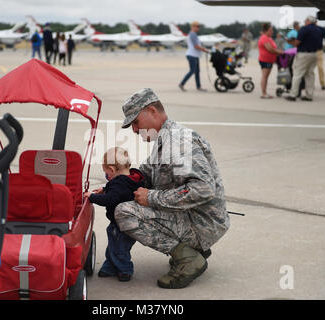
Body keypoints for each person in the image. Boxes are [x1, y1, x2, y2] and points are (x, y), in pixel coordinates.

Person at [114, 88, 230, 289]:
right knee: (124, 201)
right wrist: (114, 186)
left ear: (152, 111)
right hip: (193, 216)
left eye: (135, 122)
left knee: (124, 212)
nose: (134, 129)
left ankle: (189, 258)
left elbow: (203, 189)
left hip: (201, 223)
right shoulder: (166, 138)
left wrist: (152, 198)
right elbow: (146, 173)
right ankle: (192, 250)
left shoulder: (178, 142)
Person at [85, 147, 145, 282]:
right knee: (114, 245)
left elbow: (110, 199)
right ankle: (110, 266)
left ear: (111, 170)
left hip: (122, 224)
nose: (106, 175)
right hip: (127, 222)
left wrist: (92, 197)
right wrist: (105, 189)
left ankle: (125, 269)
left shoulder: (119, 184)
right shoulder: (132, 179)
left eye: (106, 172)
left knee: (120, 248)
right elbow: (120, 192)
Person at [285, 16, 324, 102]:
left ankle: (293, 94)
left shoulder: (304, 29)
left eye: (305, 20)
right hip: (315, 53)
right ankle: (309, 95)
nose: (304, 21)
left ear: (308, 21)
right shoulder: (319, 29)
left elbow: (297, 43)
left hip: (304, 54)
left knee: (297, 73)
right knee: (310, 74)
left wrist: (289, 41)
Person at [178, 21, 210, 92]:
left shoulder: (193, 34)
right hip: (192, 55)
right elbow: (196, 46)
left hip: (195, 55)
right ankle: (182, 84)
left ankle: (198, 86)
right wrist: (205, 50)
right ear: (193, 27)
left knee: (197, 72)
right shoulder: (192, 34)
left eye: (199, 26)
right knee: (192, 71)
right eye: (197, 26)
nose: (198, 28)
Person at [258, 23, 284, 99]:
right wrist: (280, 52)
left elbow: (273, 48)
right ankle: (263, 93)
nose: (272, 32)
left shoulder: (269, 38)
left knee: (266, 76)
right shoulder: (265, 38)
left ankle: (264, 92)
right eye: (270, 30)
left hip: (269, 60)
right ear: (266, 31)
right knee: (265, 76)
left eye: (272, 30)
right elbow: (270, 49)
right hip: (265, 60)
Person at [315, 21, 325, 90]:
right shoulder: (307, 29)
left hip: (319, 51)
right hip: (310, 51)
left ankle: (322, 84)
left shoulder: (321, 29)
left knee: (320, 68)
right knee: (309, 69)